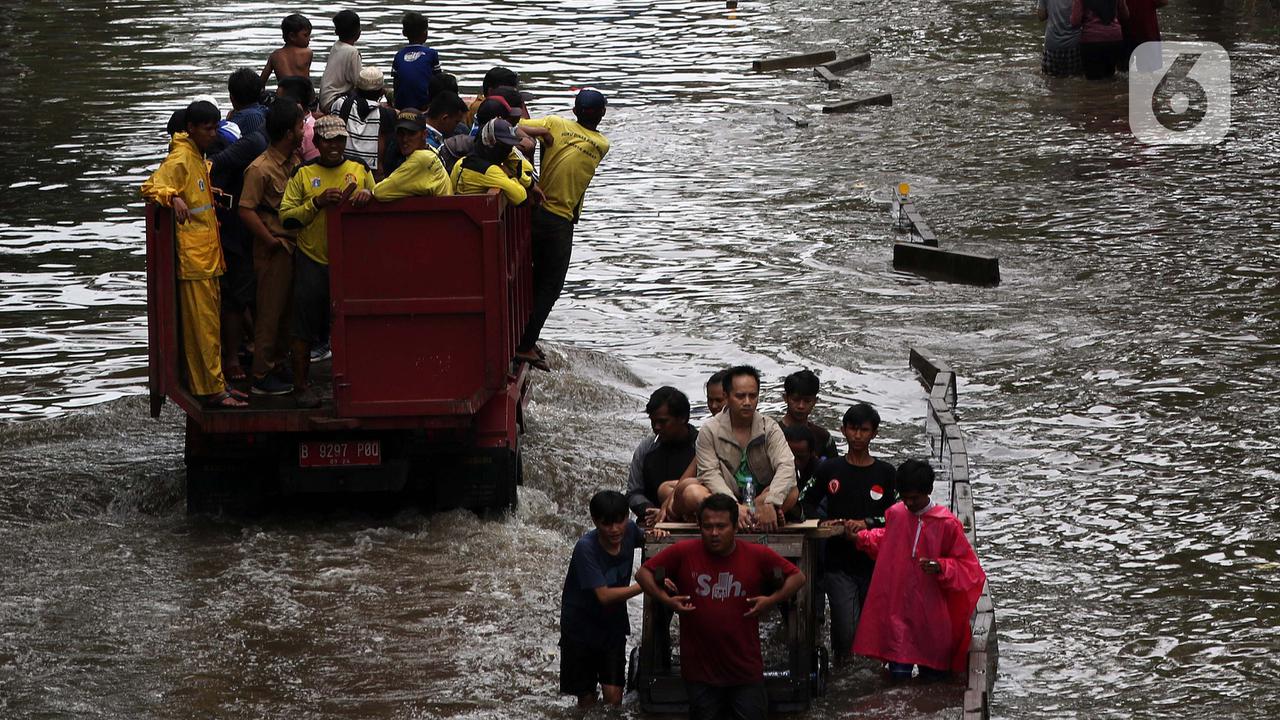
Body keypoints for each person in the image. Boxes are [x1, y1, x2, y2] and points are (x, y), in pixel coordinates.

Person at [636, 494, 805, 720]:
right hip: (700, 673)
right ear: (699, 526)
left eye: (721, 526)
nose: (714, 533)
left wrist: (771, 600)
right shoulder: (684, 552)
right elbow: (643, 573)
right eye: (708, 527)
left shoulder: (756, 554)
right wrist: (667, 600)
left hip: (745, 670)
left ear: (735, 526)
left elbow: (797, 577)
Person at [141, 100, 246, 408]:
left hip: (208, 256)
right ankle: (212, 389)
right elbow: (150, 187)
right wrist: (171, 198)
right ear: (191, 129)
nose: (214, 134)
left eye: (215, 127)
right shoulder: (181, 159)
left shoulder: (198, 157)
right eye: (208, 128)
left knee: (211, 325)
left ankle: (217, 384)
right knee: (202, 328)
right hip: (194, 259)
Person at [853, 460, 985, 680]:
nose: (909, 503)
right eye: (905, 498)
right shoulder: (896, 513)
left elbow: (968, 568)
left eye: (914, 498)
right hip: (900, 611)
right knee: (897, 676)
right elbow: (887, 541)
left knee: (933, 676)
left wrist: (941, 566)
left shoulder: (947, 524)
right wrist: (860, 538)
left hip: (931, 614)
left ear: (929, 491)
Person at [279, 115, 374, 408]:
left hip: (350, 260)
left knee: (354, 323)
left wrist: (367, 195)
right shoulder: (303, 174)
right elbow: (287, 216)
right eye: (328, 140)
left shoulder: (359, 170)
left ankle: (359, 383)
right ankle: (300, 385)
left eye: (339, 140)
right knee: (304, 327)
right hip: (313, 259)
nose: (334, 146)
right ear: (317, 143)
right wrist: (317, 202)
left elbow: (381, 199)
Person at [513, 89, 611, 371]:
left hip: (536, 212)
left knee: (532, 278)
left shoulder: (555, 124)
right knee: (550, 286)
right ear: (602, 114)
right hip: (559, 221)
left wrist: (541, 133)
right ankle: (526, 344)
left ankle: (524, 337)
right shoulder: (600, 144)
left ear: (574, 109)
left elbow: (515, 127)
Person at [801, 402, 897, 667]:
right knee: (846, 628)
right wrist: (825, 522)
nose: (858, 436)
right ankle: (842, 672)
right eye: (852, 429)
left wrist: (868, 523)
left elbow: (898, 513)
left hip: (875, 563)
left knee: (874, 628)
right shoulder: (829, 469)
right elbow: (804, 501)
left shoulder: (886, 474)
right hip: (837, 562)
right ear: (843, 430)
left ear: (874, 433)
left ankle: (864, 679)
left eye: (864, 430)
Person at [559, 490, 665, 707]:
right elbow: (604, 596)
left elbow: (648, 539)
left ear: (627, 518)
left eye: (620, 522)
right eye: (607, 524)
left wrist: (657, 534)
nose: (615, 529)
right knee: (586, 698)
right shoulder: (585, 548)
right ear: (595, 521)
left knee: (614, 697)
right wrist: (645, 586)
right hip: (580, 631)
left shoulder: (630, 531)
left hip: (612, 626)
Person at [209, 69, 271, 383]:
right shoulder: (259, 131)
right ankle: (248, 352)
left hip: (232, 228)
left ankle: (240, 353)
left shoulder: (234, 133)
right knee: (244, 291)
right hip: (243, 228)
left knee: (237, 292)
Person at [238, 100, 304, 397]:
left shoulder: (294, 162)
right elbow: (246, 209)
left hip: (293, 248)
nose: (305, 131)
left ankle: (277, 364)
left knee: (287, 313)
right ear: (289, 132)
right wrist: (270, 240)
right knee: (269, 313)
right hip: (273, 251)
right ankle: (261, 374)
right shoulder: (260, 168)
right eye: (301, 125)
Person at [682, 365, 797, 532]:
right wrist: (733, 506)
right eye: (740, 396)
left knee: (792, 492)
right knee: (692, 492)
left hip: (759, 498)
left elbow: (786, 465)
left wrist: (771, 500)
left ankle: (762, 514)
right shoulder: (710, 430)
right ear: (726, 396)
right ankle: (744, 517)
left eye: (753, 396)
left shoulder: (769, 427)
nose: (748, 402)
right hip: (724, 498)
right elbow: (709, 473)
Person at [626, 387, 698, 526]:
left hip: (692, 523)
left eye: (663, 422)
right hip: (652, 522)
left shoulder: (702, 446)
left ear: (683, 418)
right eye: (653, 422)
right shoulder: (646, 448)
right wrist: (649, 510)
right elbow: (633, 493)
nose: (656, 427)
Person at [372, 110, 453, 202]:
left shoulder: (421, 158)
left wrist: (368, 192)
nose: (405, 139)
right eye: (400, 133)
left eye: (411, 133)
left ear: (424, 134)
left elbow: (379, 192)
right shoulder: (430, 150)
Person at [330, 66, 395, 178]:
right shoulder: (386, 114)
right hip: (370, 173)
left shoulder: (340, 104)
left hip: (342, 167)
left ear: (357, 88)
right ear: (381, 92)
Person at [450, 119, 529, 205]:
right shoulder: (490, 170)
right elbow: (521, 198)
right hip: (478, 216)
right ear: (489, 142)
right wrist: (510, 176)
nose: (508, 151)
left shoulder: (461, 162)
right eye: (504, 146)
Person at [779, 369, 839, 460]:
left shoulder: (823, 438)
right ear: (785, 398)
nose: (801, 406)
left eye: (807, 401)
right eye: (796, 400)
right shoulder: (771, 433)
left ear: (815, 401)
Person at [392, 11, 442, 111]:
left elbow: (396, 84)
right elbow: (439, 81)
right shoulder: (431, 54)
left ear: (404, 33)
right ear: (425, 33)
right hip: (424, 105)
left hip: (401, 105)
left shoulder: (398, 55)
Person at [1070, 0, 1129, 80]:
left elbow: (1075, 21)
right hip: (1114, 39)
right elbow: (1125, 15)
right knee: (1110, 78)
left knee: (1093, 81)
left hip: (1091, 41)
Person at [319, 9, 362, 109]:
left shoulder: (336, 46)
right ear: (358, 33)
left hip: (325, 99)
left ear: (336, 32)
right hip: (334, 102)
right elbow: (360, 83)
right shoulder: (353, 52)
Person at [261, 13, 313, 85]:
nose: (309, 39)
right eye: (306, 35)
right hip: (302, 95)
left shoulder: (275, 55)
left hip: (282, 95)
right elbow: (308, 83)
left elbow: (261, 82)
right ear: (292, 36)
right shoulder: (307, 52)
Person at [276, 76, 319, 162]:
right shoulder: (277, 123)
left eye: (280, 101)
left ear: (297, 105)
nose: (275, 105)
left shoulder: (310, 134)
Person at [1036, 0, 1082, 77]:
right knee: (1075, 80)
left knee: (1051, 82)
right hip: (1074, 44)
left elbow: (1041, 16)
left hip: (1053, 44)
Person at [1119, 0, 1165, 71]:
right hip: (1146, 29)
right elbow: (1163, 2)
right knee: (1150, 73)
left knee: (1122, 71)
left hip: (1125, 30)